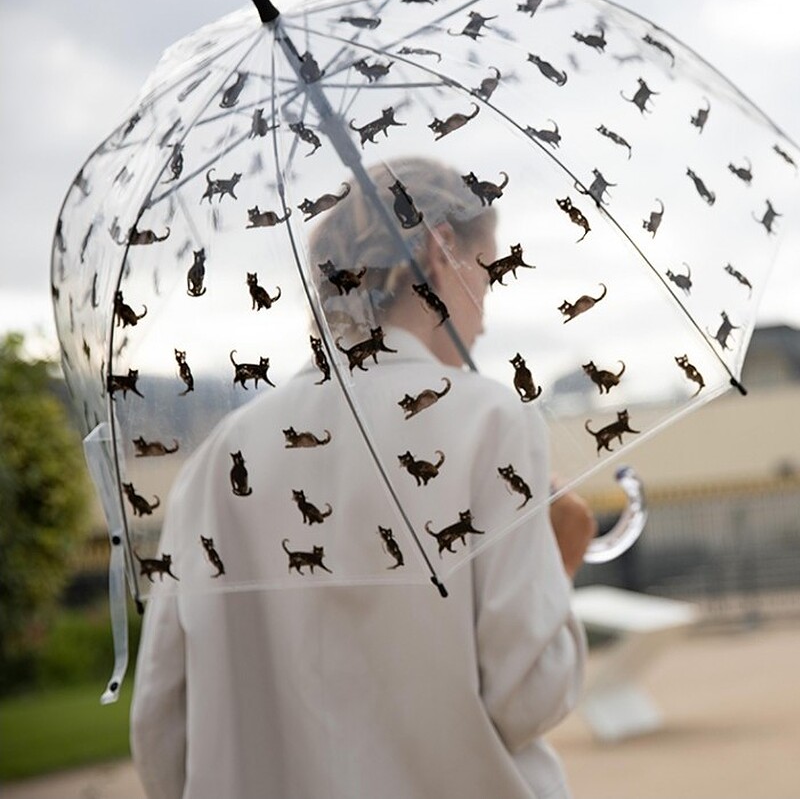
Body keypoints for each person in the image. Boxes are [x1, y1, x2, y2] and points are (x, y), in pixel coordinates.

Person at [131, 157, 597, 799]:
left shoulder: (216, 461)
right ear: (440, 251)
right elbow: (529, 694)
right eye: (487, 271)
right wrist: (559, 564)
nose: (485, 315)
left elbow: (161, 731)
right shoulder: (492, 422)